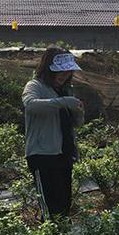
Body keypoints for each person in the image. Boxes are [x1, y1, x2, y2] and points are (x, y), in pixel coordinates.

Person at [22, 46, 85, 219]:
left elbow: (76, 124)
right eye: (60, 72)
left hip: (63, 154)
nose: (64, 76)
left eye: (67, 72)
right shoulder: (35, 86)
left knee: (64, 203)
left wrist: (78, 111)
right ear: (48, 68)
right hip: (42, 155)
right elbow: (31, 104)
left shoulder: (66, 90)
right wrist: (63, 102)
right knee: (49, 207)